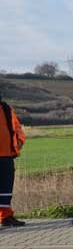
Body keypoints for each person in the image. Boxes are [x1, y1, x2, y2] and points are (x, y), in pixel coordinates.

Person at [0, 91, 26, 227]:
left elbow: (17, 127)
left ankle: (6, 217)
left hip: (6, 155)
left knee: (6, 189)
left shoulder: (6, 108)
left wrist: (20, 140)